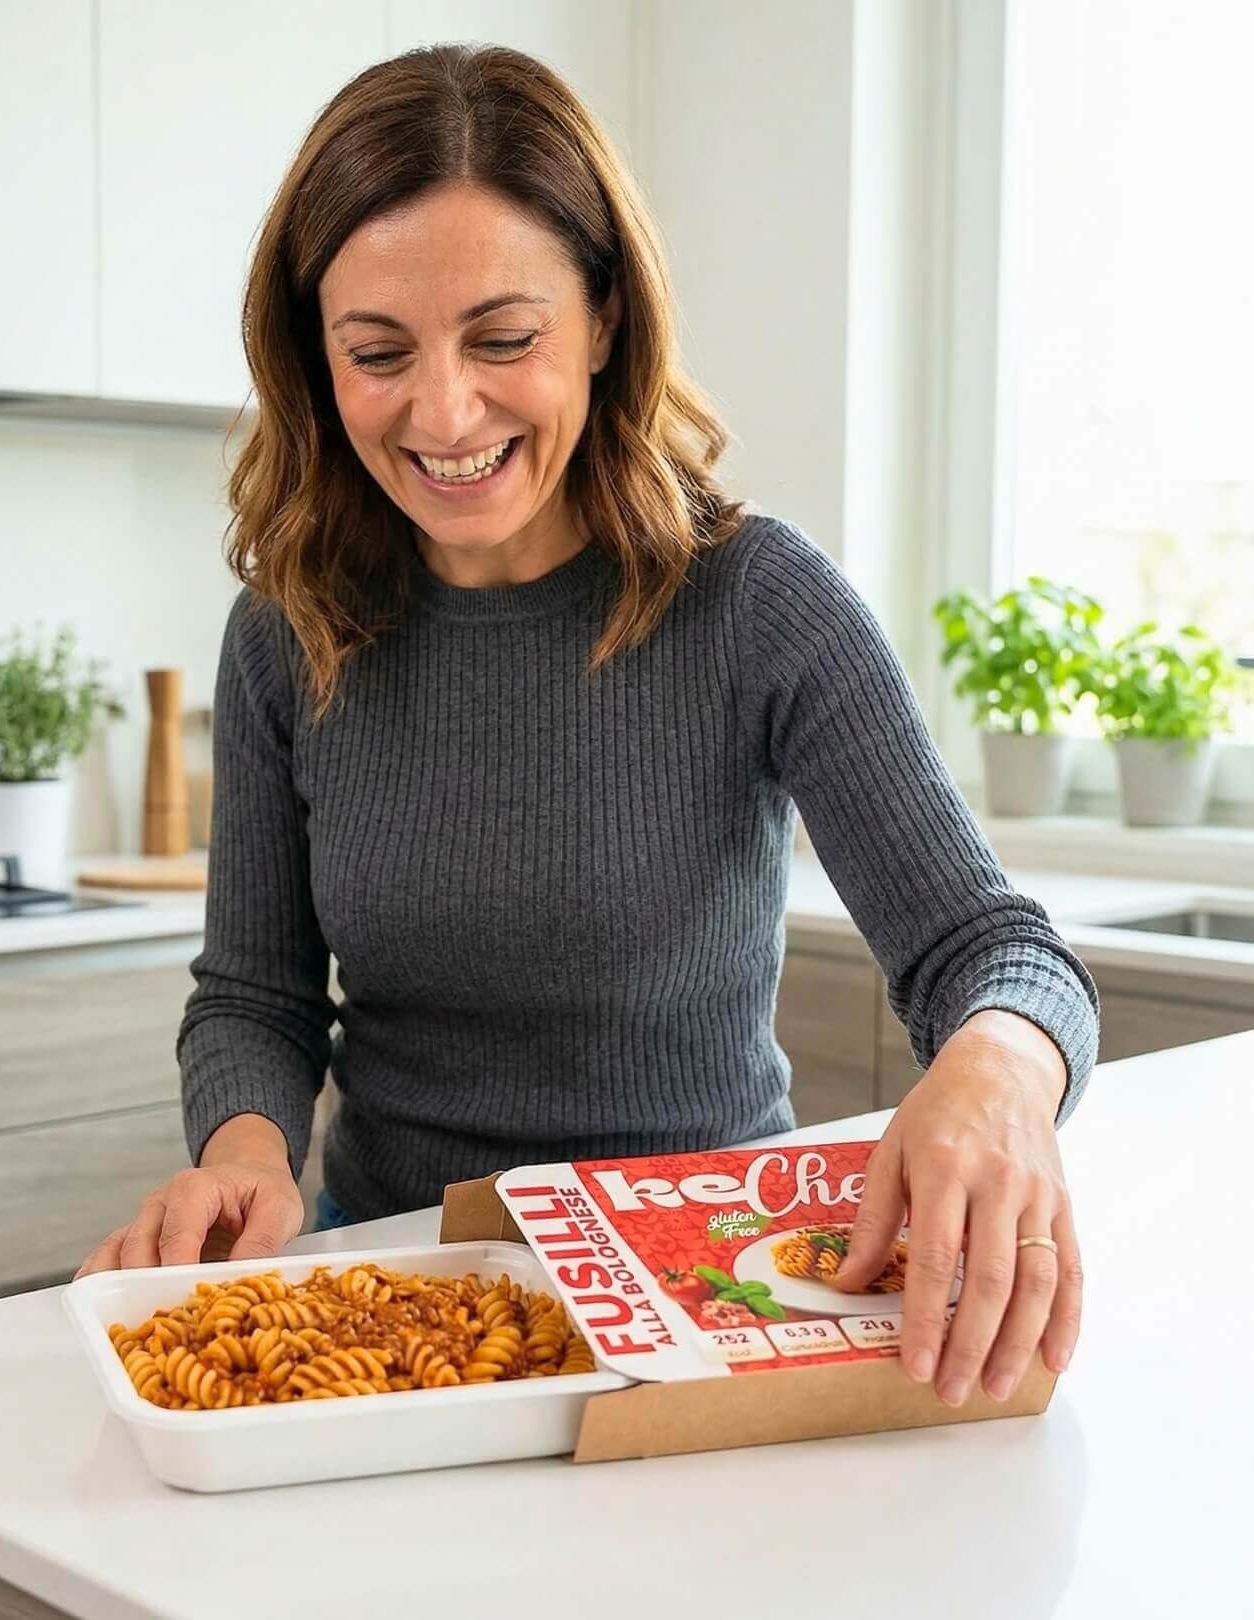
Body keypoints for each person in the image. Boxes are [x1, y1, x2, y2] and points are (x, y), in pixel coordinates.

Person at [75, 43, 1098, 1411]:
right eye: (378, 353)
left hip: (702, 1312)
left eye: (504, 339)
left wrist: (996, 1071)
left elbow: (998, 953)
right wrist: (251, 1155)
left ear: (608, 318)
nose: (444, 411)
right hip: (404, 1313)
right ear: (313, 364)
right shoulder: (287, 629)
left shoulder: (756, 602)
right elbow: (257, 996)